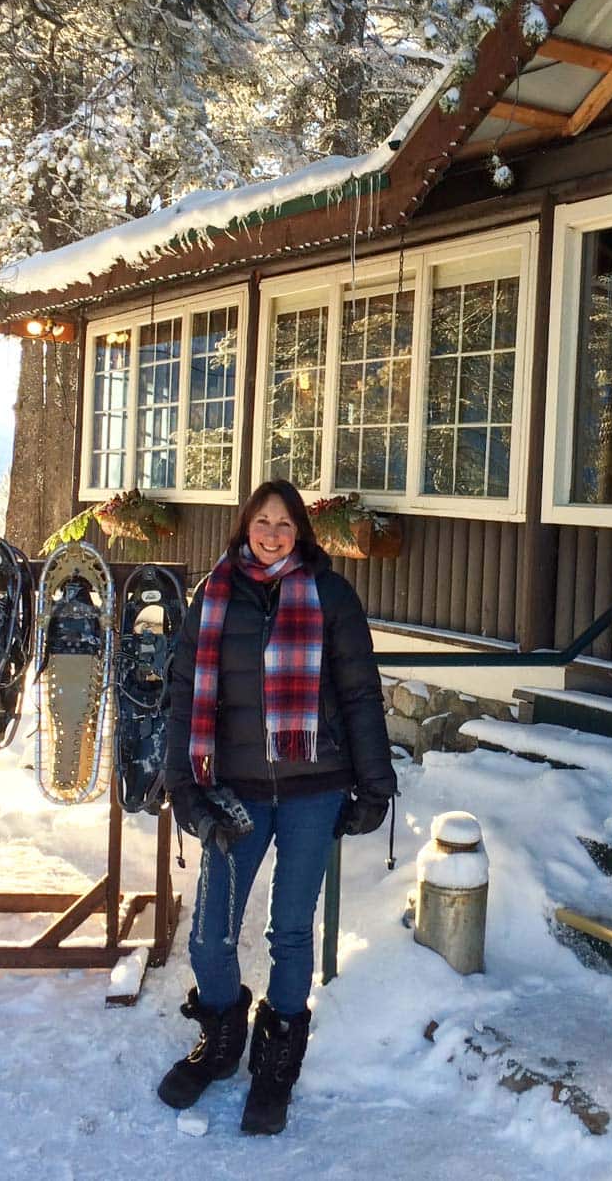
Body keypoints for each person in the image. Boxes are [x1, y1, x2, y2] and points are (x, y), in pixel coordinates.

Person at [156, 479, 395, 1135]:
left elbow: (360, 694)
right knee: (210, 936)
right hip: (237, 791)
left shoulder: (329, 595)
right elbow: (184, 695)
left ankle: (275, 1066)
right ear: (244, 526)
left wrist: (375, 784)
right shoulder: (213, 597)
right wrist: (185, 786)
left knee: (291, 932)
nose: (272, 533)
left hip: (314, 790)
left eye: (284, 524)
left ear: (300, 533)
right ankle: (223, 1042)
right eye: (262, 521)